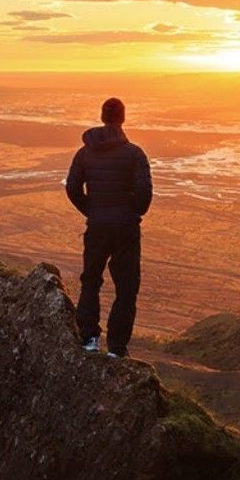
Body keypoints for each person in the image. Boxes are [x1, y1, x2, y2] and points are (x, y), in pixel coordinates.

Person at [65, 97, 152, 358]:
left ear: (102, 117)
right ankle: (116, 349)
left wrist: (92, 211)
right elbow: (145, 192)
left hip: (98, 227)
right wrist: (133, 212)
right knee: (126, 288)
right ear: (122, 118)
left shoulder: (84, 152)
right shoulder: (134, 153)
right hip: (126, 228)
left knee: (91, 281)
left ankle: (89, 339)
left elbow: (72, 188)